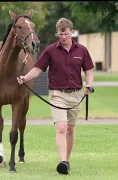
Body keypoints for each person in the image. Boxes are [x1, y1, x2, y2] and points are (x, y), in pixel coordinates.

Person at [17, 18, 94, 175]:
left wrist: (89, 85)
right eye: (60, 34)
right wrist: (25, 77)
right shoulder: (50, 50)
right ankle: (62, 161)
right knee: (61, 128)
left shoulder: (82, 50)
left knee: (71, 130)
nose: (63, 37)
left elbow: (89, 70)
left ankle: (67, 161)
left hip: (76, 94)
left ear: (71, 32)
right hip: (57, 94)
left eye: (65, 34)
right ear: (57, 33)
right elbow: (38, 69)